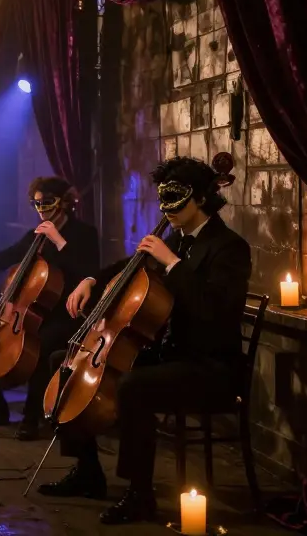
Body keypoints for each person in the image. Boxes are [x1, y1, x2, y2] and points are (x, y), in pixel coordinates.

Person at [37, 156, 251, 525]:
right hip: (172, 355)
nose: (167, 209)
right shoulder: (177, 238)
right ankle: (88, 471)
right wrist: (92, 280)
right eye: (163, 199)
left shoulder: (229, 247)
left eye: (177, 199)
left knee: (134, 386)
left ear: (201, 198)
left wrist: (172, 264)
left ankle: (140, 495)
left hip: (211, 366)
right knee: (65, 359)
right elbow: (129, 264)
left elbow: (212, 309)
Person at [0, 177, 99, 440]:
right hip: (31, 312)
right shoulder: (35, 235)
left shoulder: (84, 233)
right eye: (36, 203)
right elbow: (7, 254)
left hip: (65, 313)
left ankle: (31, 416)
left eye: (46, 202)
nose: (40, 208)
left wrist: (59, 241)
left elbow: (88, 271)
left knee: (39, 348)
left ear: (63, 203)